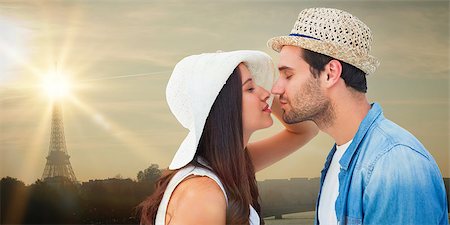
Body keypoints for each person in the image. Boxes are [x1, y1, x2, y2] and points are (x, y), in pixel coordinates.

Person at [267, 7, 448, 225]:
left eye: (288, 75)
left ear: (330, 73)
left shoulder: (394, 166)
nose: (276, 89)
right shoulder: (341, 156)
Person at [138, 50, 318, 225]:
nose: (266, 94)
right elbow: (306, 131)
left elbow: (307, 130)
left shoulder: (229, 164)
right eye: (250, 88)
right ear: (223, 105)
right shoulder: (202, 194)